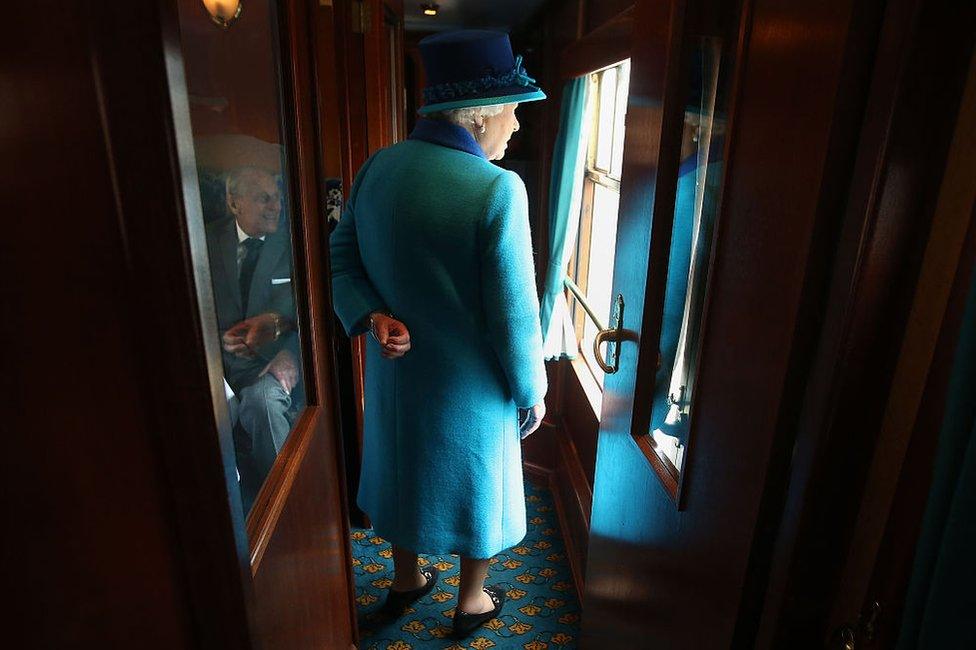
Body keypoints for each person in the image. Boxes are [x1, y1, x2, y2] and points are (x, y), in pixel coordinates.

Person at [329, 30, 548, 639]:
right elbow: (515, 312)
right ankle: (472, 601)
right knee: (480, 486)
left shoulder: (379, 165)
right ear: (479, 117)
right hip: (471, 386)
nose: (516, 126)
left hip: (396, 374)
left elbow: (340, 254)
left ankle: (405, 581)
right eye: (512, 110)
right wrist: (531, 389)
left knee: (400, 471)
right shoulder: (497, 189)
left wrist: (373, 316)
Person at [205, 165, 302, 509]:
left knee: (262, 404)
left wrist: (289, 348)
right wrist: (214, 341)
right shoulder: (205, 240)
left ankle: (289, 509)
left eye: (276, 198)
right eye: (263, 199)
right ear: (234, 203)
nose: (275, 206)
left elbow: (315, 310)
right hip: (215, 365)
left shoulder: (296, 240)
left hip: (273, 363)